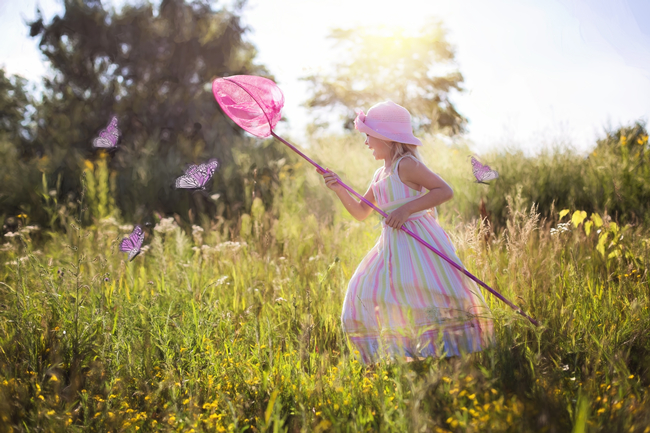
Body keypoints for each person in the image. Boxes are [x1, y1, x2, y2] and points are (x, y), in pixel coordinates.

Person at [318, 101, 494, 363]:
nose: (366, 143)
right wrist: (339, 188)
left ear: (387, 138)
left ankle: (448, 353)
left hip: (420, 242)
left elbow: (444, 191)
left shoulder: (406, 165)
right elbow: (360, 212)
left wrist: (406, 210)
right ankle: (401, 352)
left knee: (425, 290)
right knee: (364, 288)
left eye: (369, 136)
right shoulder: (380, 174)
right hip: (392, 246)